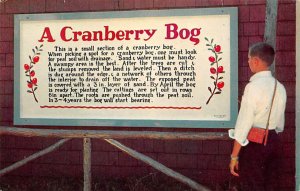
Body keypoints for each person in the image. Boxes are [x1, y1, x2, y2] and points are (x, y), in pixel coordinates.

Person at [228, 42, 287, 190]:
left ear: (256, 61)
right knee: (270, 185)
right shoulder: (279, 87)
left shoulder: (252, 87)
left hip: (255, 145)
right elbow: (280, 124)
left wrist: (234, 156)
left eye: (249, 59)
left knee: (252, 185)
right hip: (274, 141)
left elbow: (243, 124)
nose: (248, 62)